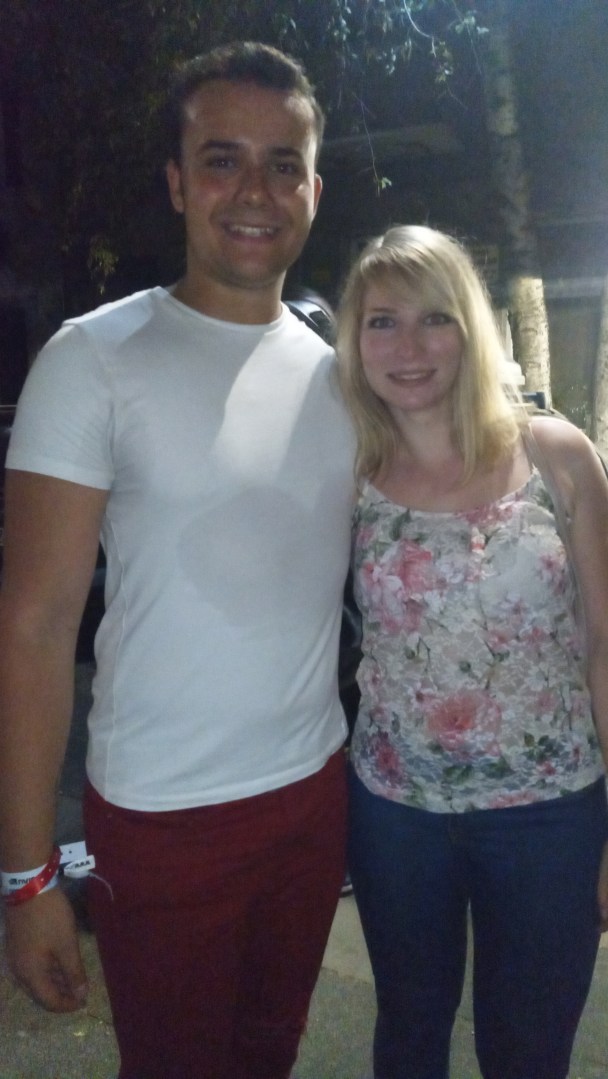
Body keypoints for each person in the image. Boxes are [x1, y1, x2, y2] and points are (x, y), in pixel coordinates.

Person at [0, 42, 356, 1079]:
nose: (254, 191)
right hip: (161, 817)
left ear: (314, 189)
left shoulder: (345, 375)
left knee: (269, 1053)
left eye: (283, 164)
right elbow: (32, 628)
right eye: (221, 159)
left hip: (314, 795)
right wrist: (26, 878)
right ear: (175, 182)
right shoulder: (92, 357)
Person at [336, 224, 608, 1079]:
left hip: (550, 813)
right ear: (355, 341)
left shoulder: (556, 456)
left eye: (435, 319)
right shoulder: (348, 474)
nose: (409, 347)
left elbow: (607, 645)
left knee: (528, 1050)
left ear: (472, 327)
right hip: (396, 812)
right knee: (408, 1035)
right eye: (383, 322)